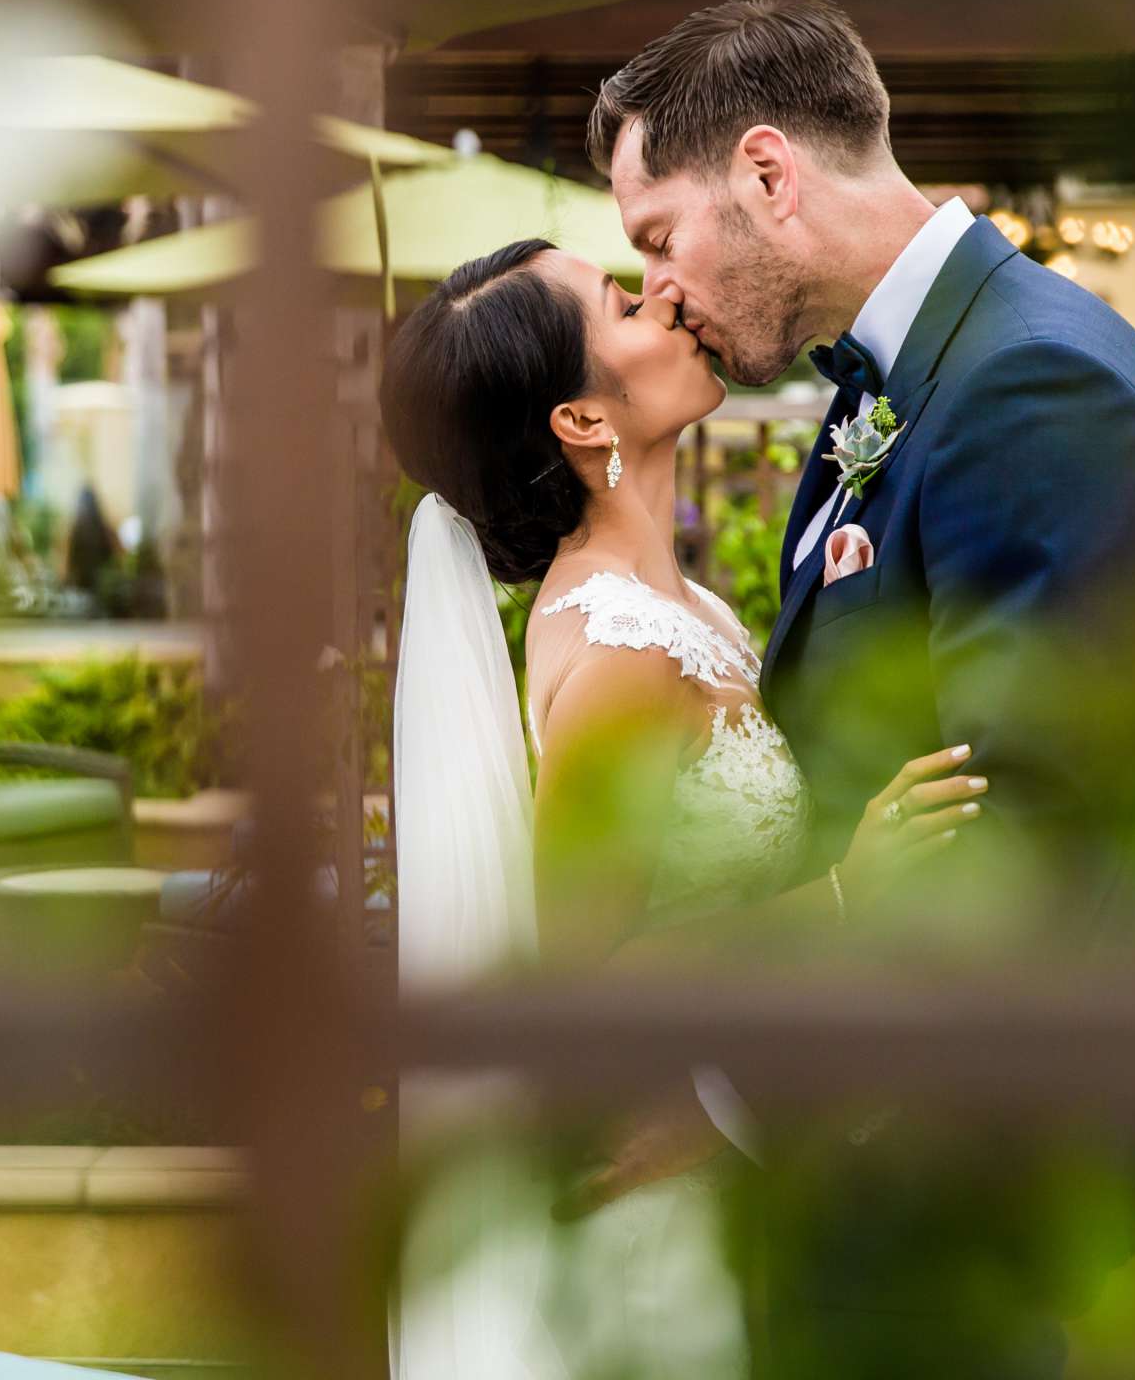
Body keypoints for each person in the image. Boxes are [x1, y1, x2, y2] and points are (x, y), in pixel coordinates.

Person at [582, 0, 1135, 1377]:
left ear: (766, 175)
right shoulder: (900, 379)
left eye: (659, 237)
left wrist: (730, 1103)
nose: (662, 291)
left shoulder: (1031, 386)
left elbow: (1017, 841)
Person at [382, 238, 980, 1379]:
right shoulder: (616, 648)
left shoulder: (684, 605)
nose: (663, 293)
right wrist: (844, 891)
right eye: (620, 301)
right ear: (582, 421)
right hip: (650, 1222)